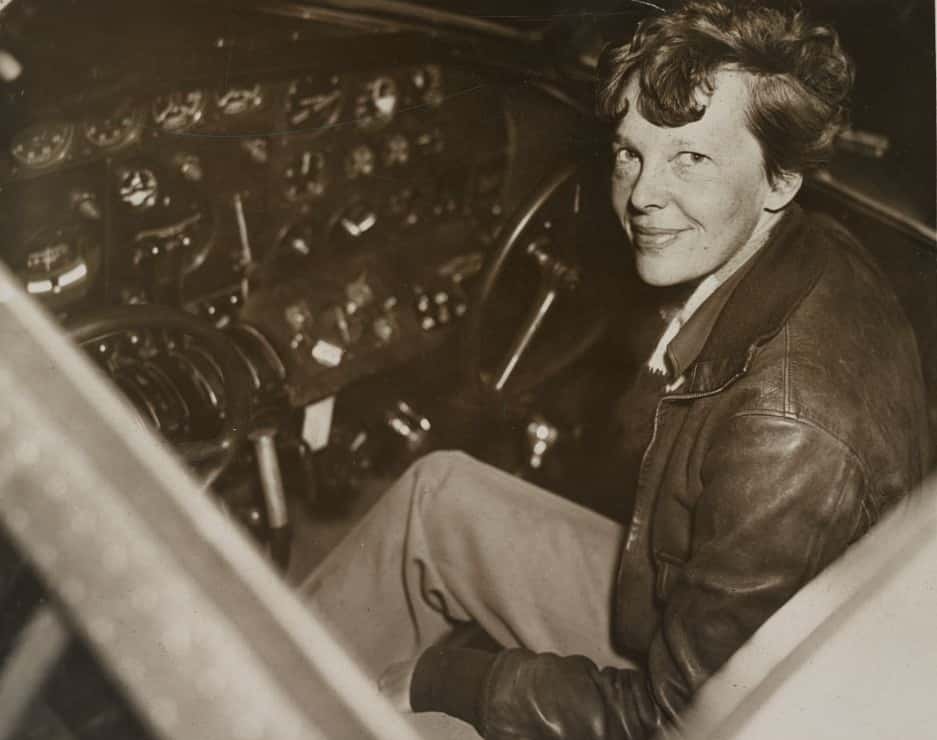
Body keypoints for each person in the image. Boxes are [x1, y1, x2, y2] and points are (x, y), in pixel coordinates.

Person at [301, 2, 930, 738]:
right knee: (436, 498)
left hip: (752, 717)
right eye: (630, 152)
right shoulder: (804, 247)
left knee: (419, 720)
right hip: (694, 624)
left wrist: (450, 680)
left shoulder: (784, 433)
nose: (641, 194)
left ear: (779, 178)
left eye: (690, 158)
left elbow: (678, 721)